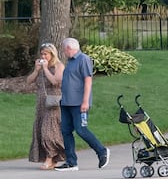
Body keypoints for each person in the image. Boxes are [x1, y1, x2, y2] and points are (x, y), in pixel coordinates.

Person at [57, 38, 109, 170]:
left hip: (78, 103)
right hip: (66, 102)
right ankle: (71, 162)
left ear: (69, 48)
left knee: (81, 130)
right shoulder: (70, 62)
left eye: (64, 49)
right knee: (65, 131)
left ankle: (102, 151)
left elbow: (88, 81)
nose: (64, 52)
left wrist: (85, 101)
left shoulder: (83, 59)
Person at [29, 42, 66, 169]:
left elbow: (56, 81)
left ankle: (49, 158)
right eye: (42, 54)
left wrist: (45, 69)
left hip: (53, 102)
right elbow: (28, 81)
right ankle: (52, 159)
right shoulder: (40, 67)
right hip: (41, 103)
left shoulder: (59, 66)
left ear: (52, 54)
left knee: (48, 132)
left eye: (46, 54)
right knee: (40, 130)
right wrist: (36, 70)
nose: (43, 56)